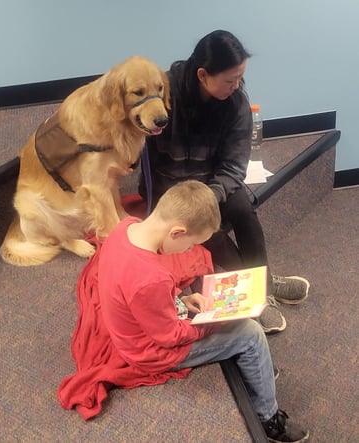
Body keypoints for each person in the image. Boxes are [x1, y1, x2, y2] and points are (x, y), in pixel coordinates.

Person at [98, 180, 309, 443]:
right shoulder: (151, 278)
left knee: (237, 325)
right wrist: (216, 321)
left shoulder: (125, 227)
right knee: (251, 334)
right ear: (176, 232)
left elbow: (138, 292)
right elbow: (169, 337)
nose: (187, 251)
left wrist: (182, 301)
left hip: (145, 325)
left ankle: (259, 368)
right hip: (153, 352)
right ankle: (269, 419)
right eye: (190, 245)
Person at [139, 30, 310, 334]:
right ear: (203, 75)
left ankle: (263, 287)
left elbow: (233, 166)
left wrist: (210, 195)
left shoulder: (235, 105)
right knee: (213, 233)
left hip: (213, 181)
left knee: (243, 210)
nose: (236, 86)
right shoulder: (164, 93)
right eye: (230, 80)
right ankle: (259, 294)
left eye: (240, 78)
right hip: (171, 189)